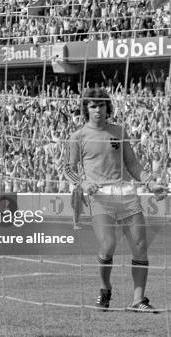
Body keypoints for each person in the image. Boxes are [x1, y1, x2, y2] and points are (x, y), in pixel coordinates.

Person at [62, 87, 168, 313]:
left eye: (101, 105)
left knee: (140, 247)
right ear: (86, 109)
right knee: (108, 245)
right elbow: (68, 169)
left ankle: (138, 300)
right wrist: (83, 183)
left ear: (107, 107)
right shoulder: (78, 136)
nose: (97, 110)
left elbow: (133, 164)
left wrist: (150, 182)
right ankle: (105, 287)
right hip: (100, 198)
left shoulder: (119, 131)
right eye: (92, 106)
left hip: (127, 195)